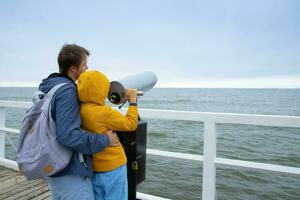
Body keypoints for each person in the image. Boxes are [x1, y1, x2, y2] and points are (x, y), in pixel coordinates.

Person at [39, 44, 119, 200]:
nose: (87, 69)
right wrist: (105, 139)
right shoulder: (68, 91)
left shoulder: (49, 87)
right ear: (74, 68)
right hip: (68, 170)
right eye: (84, 65)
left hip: (51, 162)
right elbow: (68, 135)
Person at [77, 70, 139, 200]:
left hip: (94, 167)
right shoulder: (104, 112)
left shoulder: (78, 109)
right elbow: (131, 124)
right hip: (114, 167)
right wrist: (133, 101)